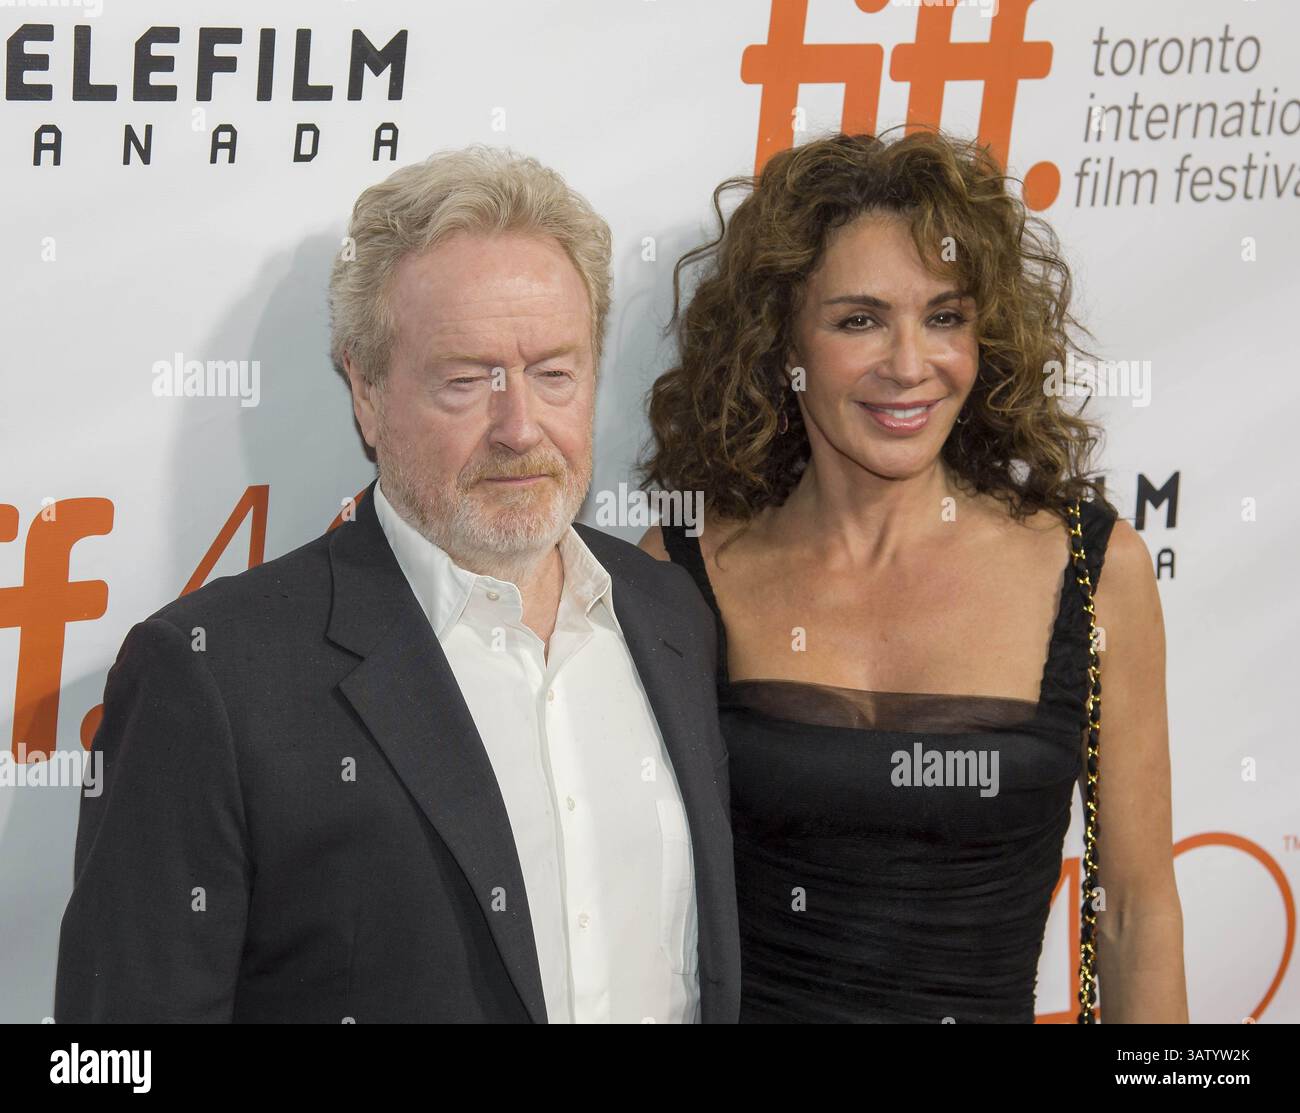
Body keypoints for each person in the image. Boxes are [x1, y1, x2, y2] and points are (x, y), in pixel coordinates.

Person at [55, 146, 739, 1024]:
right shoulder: (211, 679)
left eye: (554, 372)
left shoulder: (670, 612)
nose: (519, 426)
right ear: (367, 393)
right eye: (466, 380)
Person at [640, 130, 1186, 1023]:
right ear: (785, 343)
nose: (909, 364)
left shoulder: (1093, 570)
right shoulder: (685, 568)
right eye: (859, 319)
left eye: (945, 316)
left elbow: (1133, 913)